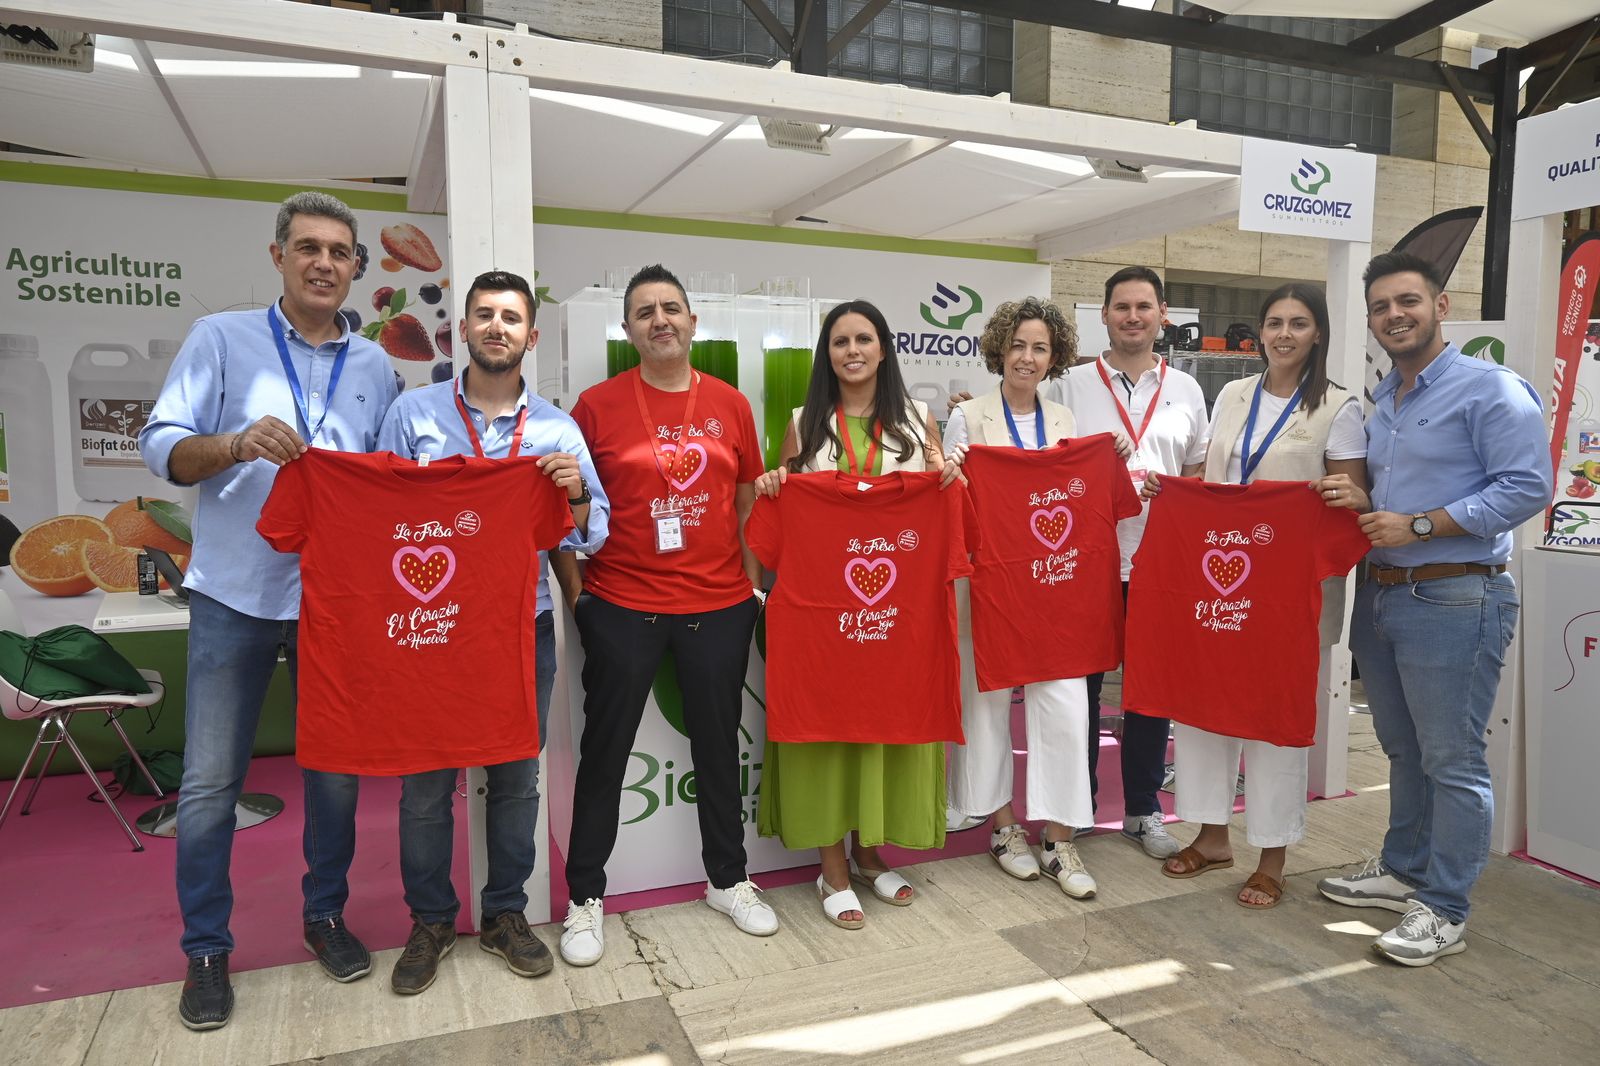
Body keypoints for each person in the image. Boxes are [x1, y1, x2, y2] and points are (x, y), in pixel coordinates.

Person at [139, 191, 400, 1030]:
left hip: (335, 603)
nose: (325, 263)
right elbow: (163, 448)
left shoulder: (375, 367)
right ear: (278, 255)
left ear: (357, 266)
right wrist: (237, 443)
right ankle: (206, 952)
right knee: (211, 782)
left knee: (335, 777)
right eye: (309, 248)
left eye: (340, 251)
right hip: (235, 596)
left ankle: (325, 916)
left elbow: (389, 482)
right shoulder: (222, 339)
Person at [375, 270, 608, 993]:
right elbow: (383, 519)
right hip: (431, 629)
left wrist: (572, 491)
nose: (497, 327)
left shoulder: (556, 429)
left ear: (530, 336)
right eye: (484, 315)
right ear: (462, 331)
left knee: (515, 779)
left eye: (511, 317)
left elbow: (593, 532)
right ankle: (431, 920)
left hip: (520, 628)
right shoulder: (413, 415)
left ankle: (506, 913)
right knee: (424, 786)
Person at [1315, 251, 1551, 965]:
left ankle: (1445, 907)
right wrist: (1367, 505)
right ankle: (1403, 867)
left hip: (1456, 592)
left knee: (1452, 759)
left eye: (1408, 302)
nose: (1395, 315)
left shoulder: (1490, 388)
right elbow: (1388, 498)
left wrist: (1423, 523)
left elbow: (1528, 486)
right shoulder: (1383, 400)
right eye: (1382, 306)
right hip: (1385, 598)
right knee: (1404, 749)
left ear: (1440, 306)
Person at [560, 264, 776, 965]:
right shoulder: (594, 407)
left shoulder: (731, 405)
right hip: (622, 604)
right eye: (646, 311)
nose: (661, 320)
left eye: (672, 309)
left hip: (717, 606)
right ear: (628, 330)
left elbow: (747, 501)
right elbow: (568, 509)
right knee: (605, 754)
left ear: (692, 322)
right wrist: (579, 595)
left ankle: (728, 879)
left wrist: (747, 584)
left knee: (718, 748)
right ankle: (585, 898)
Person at [1144, 283, 1366, 908]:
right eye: (1274, 322)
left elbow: (1354, 498)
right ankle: (1212, 835)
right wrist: (1176, 496)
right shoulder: (1234, 395)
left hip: (1288, 596)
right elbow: (1214, 478)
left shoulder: (1338, 408)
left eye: (1298, 323)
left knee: (1275, 725)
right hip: (1215, 586)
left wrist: (1334, 498)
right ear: (1260, 331)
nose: (1284, 334)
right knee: (1204, 708)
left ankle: (1273, 855)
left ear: (1318, 332)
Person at [752, 299, 955, 929]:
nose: (853, 351)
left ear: (884, 348)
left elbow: (941, 514)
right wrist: (772, 487)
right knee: (827, 732)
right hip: (824, 624)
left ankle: (869, 852)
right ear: (827, 354)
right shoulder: (803, 422)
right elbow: (779, 525)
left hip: (896, 621)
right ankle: (830, 866)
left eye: (864, 338)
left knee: (884, 728)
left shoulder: (920, 423)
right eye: (840, 342)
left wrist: (950, 482)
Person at [943, 297, 1131, 898]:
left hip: (1055, 595)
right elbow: (953, 501)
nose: (1028, 357)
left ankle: (1060, 838)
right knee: (988, 708)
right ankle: (1002, 828)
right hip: (991, 590)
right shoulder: (967, 418)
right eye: (1019, 345)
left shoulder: (1068, 424)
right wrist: (947, 470)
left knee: (1066, 712)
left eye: (1040, 348)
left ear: (1055, 358)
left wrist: (1114, 459)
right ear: (1000, 349)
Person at [1043, 266, 1209, 858]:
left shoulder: (1187, 390)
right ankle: (1078, 805)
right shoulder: (1069, 385)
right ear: (1105, 315)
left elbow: (1195, 472)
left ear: (1164, 314)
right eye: (1121, 307)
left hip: (1158, 566)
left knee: (1148, 692)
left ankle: (1143, 808)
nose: (1133, 316)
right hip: (1085, 563)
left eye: (1144, 306)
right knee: (1079, 691)